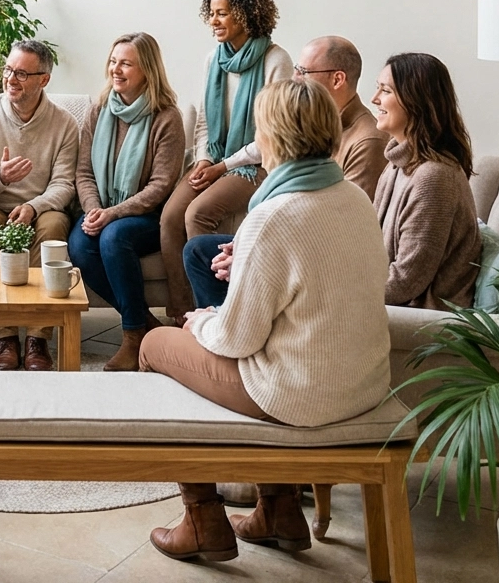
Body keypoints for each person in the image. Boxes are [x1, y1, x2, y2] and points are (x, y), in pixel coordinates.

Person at [142, 79, 390, 562]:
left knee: (157, 346)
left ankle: (202, 519)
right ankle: (277, 511)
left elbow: (237, 339)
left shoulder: (274, 214)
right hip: (363, 384)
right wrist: (238, 283)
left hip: (300, 395)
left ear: (273, 136)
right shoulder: (355, 200)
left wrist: (200, 323)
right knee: (206, 329)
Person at [183, 35, 389, 308]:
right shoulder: (312, 119)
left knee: (161, 342)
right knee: (198, 250)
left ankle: (216, 323)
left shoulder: (366, 140)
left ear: (338, 79)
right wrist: (246, 246)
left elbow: (337, 231)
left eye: (303, 71)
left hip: (316, 253)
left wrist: (252, 258)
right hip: (298, 234)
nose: (295, 78)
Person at [159, 0, 293, 321]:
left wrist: (223, 167)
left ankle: (219, 311)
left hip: (257, 164)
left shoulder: (276, 60)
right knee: (171, 216)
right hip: (215, 159)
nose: (214, 22)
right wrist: (204, 159)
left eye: (223, 14)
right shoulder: (213, 59)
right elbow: (204, 119)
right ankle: (182, 312)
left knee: (196, 213)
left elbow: (270, 135)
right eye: (212, 14)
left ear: (246, 16)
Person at [69, 32, 186, 371]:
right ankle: (146, 324)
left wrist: (112, 214)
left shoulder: (167, 117)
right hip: (101, 208)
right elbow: (84, 171)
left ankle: (133, 337)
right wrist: (94, 209)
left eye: (125, 63)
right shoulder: (100, 110)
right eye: (112, 61)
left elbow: (160, 186)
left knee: (115, 236)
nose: (115, 70)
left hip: (147, 216)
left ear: (147, 70)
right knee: (80, 243)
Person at [0, 40, 79, 371]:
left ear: (44, 79)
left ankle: (38, 338)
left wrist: (34, 207)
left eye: (22, 74)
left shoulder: (65, 124)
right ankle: (5, 334)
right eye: (8, 70)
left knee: (55, 227)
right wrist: (0, 177)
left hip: (43, 206)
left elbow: (63, 184)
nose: (11, 79)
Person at [372, 52, 481, 308]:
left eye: (385, 91)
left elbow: (407, 282)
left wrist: (341, 294)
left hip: (423, 321)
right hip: (395, 307)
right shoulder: (396, 166)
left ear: (415, 101)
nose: (374, 99)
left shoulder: (434, 178)